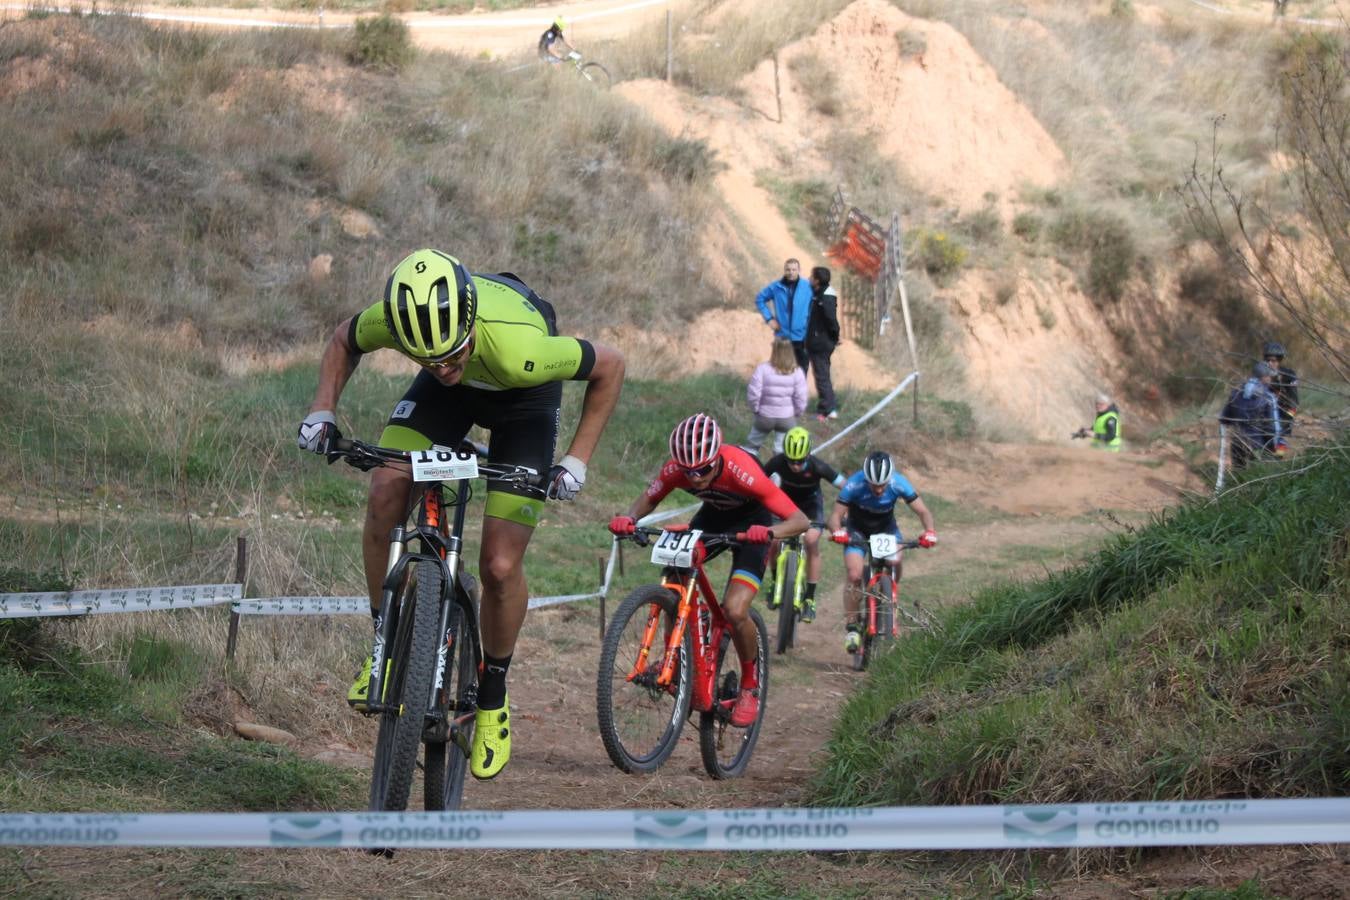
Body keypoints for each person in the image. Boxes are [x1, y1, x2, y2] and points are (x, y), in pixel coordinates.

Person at [297, 249, 625, 781]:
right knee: (385, 489)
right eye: (431, 362)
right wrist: (322, 408)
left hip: (522, 401)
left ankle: (493, 697)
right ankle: (385, 641)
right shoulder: (409, 326)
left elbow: (611, 365)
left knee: (498, 565)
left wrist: (577, 460)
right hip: (452, 404)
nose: (444, 370)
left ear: (469, 325)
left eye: (453, 357)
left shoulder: (525, 349)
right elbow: (343, 340)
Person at [609, 414, 808, 727]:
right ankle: (675, 654)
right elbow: (648, 498)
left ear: (716, 458)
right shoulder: (678, 469)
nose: (696, 478)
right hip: (712, 519)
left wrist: (769, 533)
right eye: (689, 472)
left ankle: (750, 685)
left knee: (735, 609)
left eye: (703, 469)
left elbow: (800, 521)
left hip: (752, 526)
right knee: (675, 569)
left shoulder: (743, 471)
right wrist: (629, 519)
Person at [826, 451, 937, 656]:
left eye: (882, 485)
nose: (878, 489)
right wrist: (837, 531)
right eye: (873, 484)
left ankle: (891, 587)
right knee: (854, 574)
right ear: (866, 479)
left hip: (887, 531)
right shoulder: (855, 483)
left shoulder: (898, 483)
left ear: (889, 479)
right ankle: (852, 626)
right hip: (857, 531)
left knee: (895, 560)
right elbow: (835, 515)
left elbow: (923, 511)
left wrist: (929, 531)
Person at [761, 426, 846, 623]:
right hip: (785, 507)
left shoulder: (818, 466)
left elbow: (846, 486)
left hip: (810, 508)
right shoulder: (777, 462)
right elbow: (758, 480)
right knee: (772, 541)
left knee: (811, 541)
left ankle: (809, 598)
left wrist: (846, 509)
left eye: (800, 461)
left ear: (807, 455)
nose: (795, 466)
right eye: (791, 461)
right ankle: (775, 582)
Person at [744, 339, 807, 457]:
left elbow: (754, 393)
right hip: (787, 417)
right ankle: (776, 474)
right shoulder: (797, 372)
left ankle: (749, 470)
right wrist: (797, 413)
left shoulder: (762, 369)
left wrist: (755, 409)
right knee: (781, 451)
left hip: (765, 416)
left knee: (751, 447)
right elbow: (801, 398)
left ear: (774, 351)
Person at [1219, 361, 1281, 470]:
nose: (1271, 380)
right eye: (1269, 377)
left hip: (1237, 443)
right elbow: (1273, 428)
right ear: (1264, 377)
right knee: (1258, 478)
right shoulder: (1268, 397)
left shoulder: (1236, 392)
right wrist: (1273, 449)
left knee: (1239, 477)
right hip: (1258, 445)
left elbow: (1224, 419)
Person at [755, 258, 814, 372]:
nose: (791, 272)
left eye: (794, 269)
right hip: (783, 336)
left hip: (802, 337)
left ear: (799, 270)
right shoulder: (776, 287)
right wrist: (769, 319)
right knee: (781, 370)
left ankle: (798, 390)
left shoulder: (808, 287)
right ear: (784, 270)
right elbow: (760, 299)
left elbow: (818, 305)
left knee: (801, 372)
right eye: (788, 270)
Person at [805, 266, 841, 421]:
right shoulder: (819, 293)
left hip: (821, 343)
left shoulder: (825, 298)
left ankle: (826, 410)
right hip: (818, 341)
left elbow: (831, 320)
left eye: (812, 277)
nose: (809, 279)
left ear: (817, 281)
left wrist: (835, 336)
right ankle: (829, 408)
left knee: (822, 376)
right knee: (822, 374)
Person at [1262, 340, 1298, 456]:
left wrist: (1288, 416)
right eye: (1267, 360)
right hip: (1265, 412)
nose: (1270, 363)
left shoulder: (1288, 375)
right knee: (1266, 443)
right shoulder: (1261, 374)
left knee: (1279, 441)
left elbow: (1294, 400)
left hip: (1284, 412)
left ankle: (1278, 461)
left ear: (1279, 360)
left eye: (1273, 361)